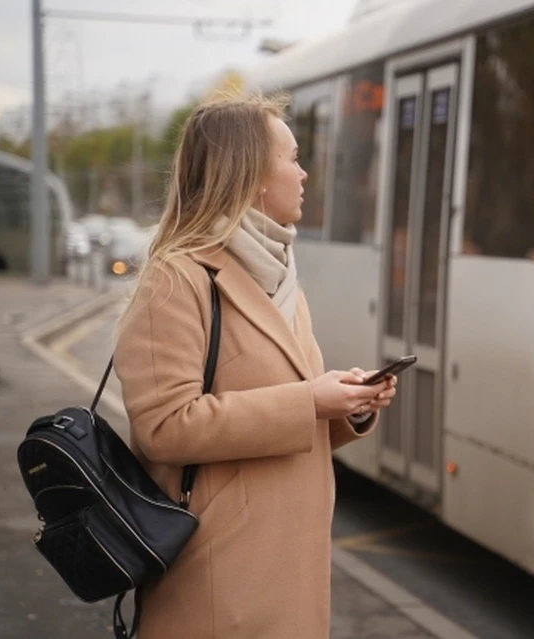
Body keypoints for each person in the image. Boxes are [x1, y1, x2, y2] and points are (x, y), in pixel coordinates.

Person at [112, 93, 397, 639]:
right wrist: (310, 400)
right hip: (219, 578)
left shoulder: (280, 275)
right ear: (252, 175)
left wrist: (348, 406)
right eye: (292, 158)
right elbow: (164, 427)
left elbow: (287, 417)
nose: (305, 172)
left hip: (285, 568)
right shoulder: (177, 278)